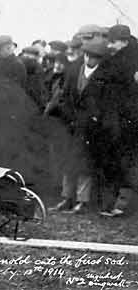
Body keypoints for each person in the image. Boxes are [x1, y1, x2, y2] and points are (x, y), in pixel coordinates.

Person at [50, 39, 109, 214]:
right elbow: (66, 95)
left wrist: (96, 119)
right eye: (88, 55)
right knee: (68, 163)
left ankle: (82, 201)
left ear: (100, 59)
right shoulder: (74, 70)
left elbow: (106, 103)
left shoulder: (104, 76)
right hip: (72, 124)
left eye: (95, 57)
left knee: (85, 166)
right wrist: (67, 116)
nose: (90, 60)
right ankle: (66, 198)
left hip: (90, 127)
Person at [98, 25, 138, 216]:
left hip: (128, 121)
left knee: (127, 164)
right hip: (116, 120)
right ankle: (115, 204)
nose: (110, 45)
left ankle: (123, 205)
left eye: (113, 42)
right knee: (119, 163)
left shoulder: (132, 60)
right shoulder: (115, 59)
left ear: (124, 40)